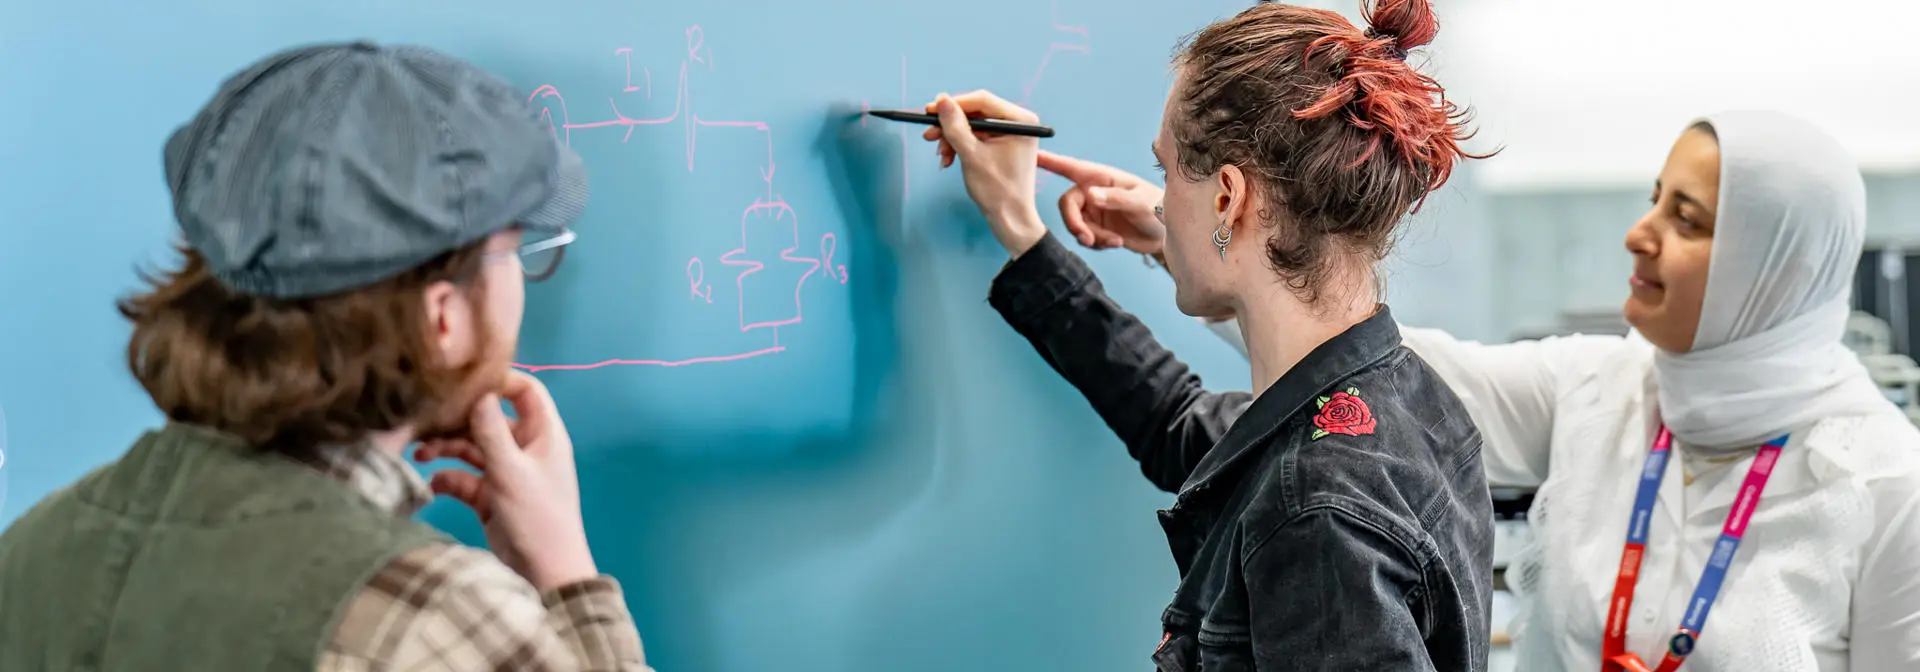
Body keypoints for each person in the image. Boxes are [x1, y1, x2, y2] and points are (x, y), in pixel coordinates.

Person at [1042, 105, 1920, 667]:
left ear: (1779, 268)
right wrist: (1189, 236)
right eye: (1655, 198)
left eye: (1685, 220)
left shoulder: (1887, 484)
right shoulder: (1602, 388)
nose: (1638, 235)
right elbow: (1369, 360)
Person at [0, 41, 653, 671]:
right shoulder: (438, 614)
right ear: (442, 318)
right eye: (517, 255)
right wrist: (567, 575)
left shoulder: (29, 551)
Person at [921, 1, 1494, 669]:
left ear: (1227, 199)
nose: (1160, 202)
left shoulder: (1314, 510)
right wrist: (1023, 230)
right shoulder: (1400, 399)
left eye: (1166, 172)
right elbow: (1179, 426)